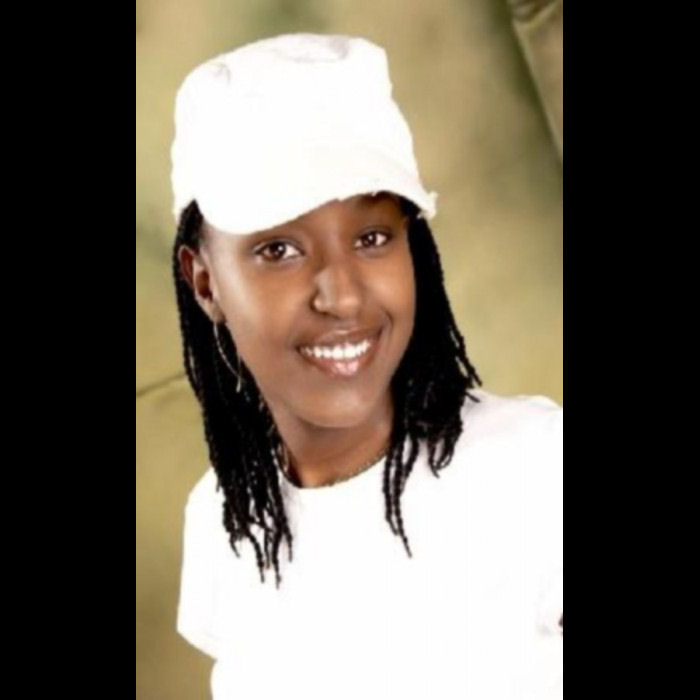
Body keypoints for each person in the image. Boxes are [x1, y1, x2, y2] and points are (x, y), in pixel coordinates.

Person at [171, 33, 562, 699]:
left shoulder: (533, 466)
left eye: (373, 237)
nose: (343, 296)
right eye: (278, 249)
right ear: (205, 282)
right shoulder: (223, 523)